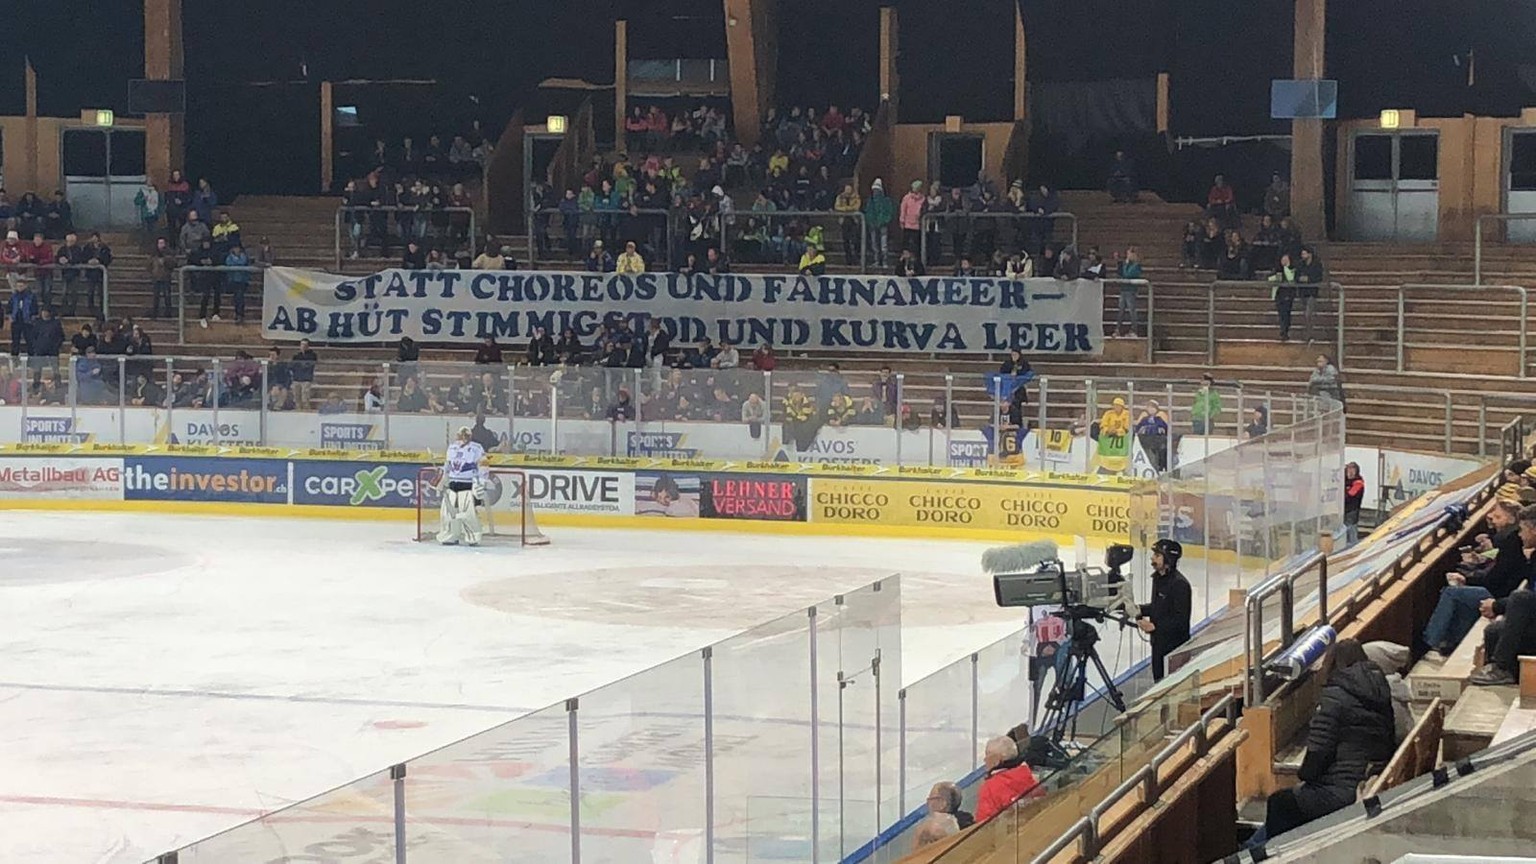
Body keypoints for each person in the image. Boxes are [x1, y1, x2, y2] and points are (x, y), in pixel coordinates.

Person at [1246, 639, 1394, 849]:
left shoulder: (1334, 697)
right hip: (1369, 776)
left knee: (1280, 802)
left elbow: (1318, 753)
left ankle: (1265, 853)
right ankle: (1251, 848)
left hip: (1343, 791)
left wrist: (1306, 777)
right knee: (1289, 801)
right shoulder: (1379, 688)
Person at [1421, 499, 1529, 656]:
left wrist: (1468, 579)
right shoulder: (1507, 538)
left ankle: (1430, 642)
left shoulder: (1510, 539)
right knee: (1463, 596)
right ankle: (1453, 642)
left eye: (1498, 517)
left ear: (1512, 520)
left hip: (1499, 596)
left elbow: (1495, 578)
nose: (1493, 521)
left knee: (1452, 592)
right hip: (1503, 591)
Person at [1138, 539, 1193, 680]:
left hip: (1174, 648)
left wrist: (1155, 626)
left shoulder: (1179, 584)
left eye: (1157, 555)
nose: (1152, 558)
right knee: (1158, 681)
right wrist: (1137, 609)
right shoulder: (1158, 579)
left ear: (1168, 559)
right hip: (1158, 644)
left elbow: (1180, 620)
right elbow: (1157, 608)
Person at [436, 426, 489, 546]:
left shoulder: (476, 448)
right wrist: (443, 478)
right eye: (461, 434)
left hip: (468, 484)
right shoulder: (452, 447)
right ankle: (450, 535)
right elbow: (448, 465)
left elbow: (484, 465)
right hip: (453, 484)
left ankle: (473, 537)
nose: (463, 437)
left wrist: (481, 482)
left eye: (466, 435)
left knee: (468, 514)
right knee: (448, 513)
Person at [974, 735, 1038, 823]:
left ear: (997, 759)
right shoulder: (1030, 776)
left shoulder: (989, 789)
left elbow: (982, 825)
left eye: (987, 755)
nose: (985, 759)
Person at [863, 179, 895, 268]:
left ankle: (884, 261)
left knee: (883, 245)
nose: (875, 192)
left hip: (883, 225)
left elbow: (889, 212)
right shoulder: (870, 202)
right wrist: (871, 222)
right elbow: (868, 212)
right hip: (873, 225)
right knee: (874, 244)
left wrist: (883, 221)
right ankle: (876, 260)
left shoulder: (886, 201)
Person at [1114, 247, 1143, 337]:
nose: (1127, 256)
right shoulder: (1126, 264)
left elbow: (1128, 275)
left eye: (1129, 254)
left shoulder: (1136, 266)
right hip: (1123, 290)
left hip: (1131, 291)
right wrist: (1119, 262)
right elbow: (1121, 274)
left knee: (1132, 311)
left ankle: (1134, 329)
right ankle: (1118, 329)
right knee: (1120, 311)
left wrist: (1125, 266)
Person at [1344, 462, 1365, 545]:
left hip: (1352, 511)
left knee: (1351, 531)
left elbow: (1350, 495)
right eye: (1349, 469)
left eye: (1353, 469)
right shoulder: (1345, 481)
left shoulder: (1358, 483)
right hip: (1344, 511)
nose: (1350, 472)